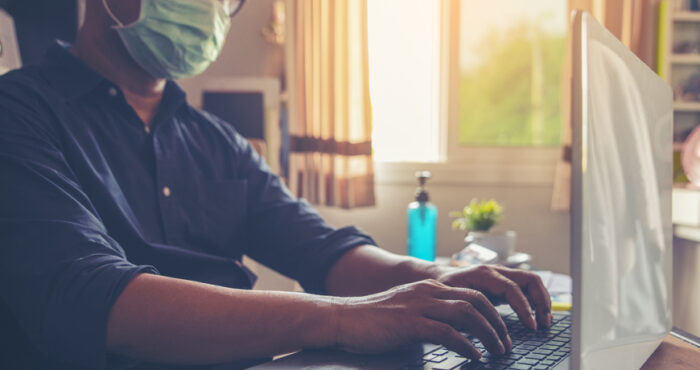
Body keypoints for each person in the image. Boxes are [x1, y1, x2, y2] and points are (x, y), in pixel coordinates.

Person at [0, 0, 552, 368]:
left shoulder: (214, 139)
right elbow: (89, 298)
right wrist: (342, 318)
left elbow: (321, 248)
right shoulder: (17, 113)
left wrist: (438, 280)